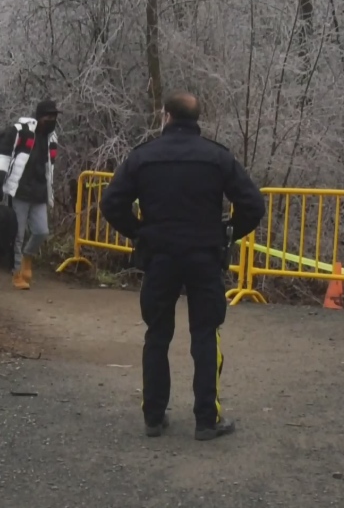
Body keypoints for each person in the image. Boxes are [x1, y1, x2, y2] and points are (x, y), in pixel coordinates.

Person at [99, 91, 265, 441]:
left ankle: (154, 417)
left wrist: (139, 232)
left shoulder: (143, 157)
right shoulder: (217, 157)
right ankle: (207, 419)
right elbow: (252, 203)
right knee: (205, 335)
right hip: (204, 256)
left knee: (157, 335)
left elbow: (112, 203)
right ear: (197, 118)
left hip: (159, 256)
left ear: (166, 116)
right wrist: (228, 232)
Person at [0, 99, 61, 289]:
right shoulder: (21, 131)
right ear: (40, 117)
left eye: (55, 117)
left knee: (41, 231)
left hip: (39, 191)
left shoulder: (51, 139)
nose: (53, 120)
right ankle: (16, 273)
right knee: (18, 234)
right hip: (20, 190)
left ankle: (27, 258)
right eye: (49, 116)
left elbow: (49, 168)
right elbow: (4, 155)